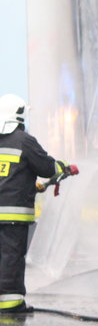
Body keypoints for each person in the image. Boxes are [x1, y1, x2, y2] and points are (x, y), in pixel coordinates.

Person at [0, 94, 69, 314]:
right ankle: (10, 303)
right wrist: (62, 167)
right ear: (18, 116)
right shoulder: (24, 141)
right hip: (13, 214)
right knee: (10, 256)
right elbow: (48, 169)